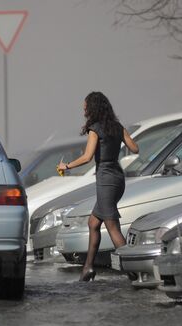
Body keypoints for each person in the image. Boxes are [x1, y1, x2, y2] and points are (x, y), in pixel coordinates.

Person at [58, 92, 139, 281]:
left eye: (85, 107)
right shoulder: (117, 127)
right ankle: (88, 268)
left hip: (105, 180)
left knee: (112, 228)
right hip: (118, 178)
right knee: (93, 223)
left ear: (92, 108)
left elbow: (87, 157)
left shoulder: (95, 129)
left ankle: (135, 272)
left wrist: (66, 166)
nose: (84, 110)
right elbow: (135, 148)